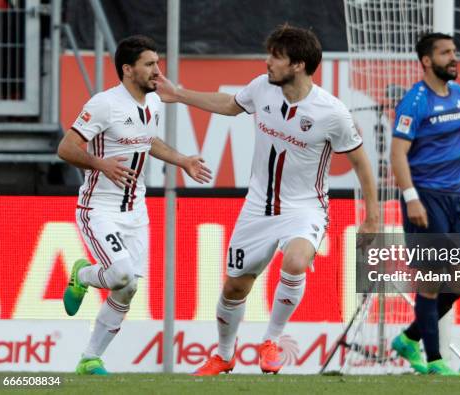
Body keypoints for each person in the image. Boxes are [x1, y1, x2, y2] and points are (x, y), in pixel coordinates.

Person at [155, 24, 379, 376]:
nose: (267, 62)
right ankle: (224, 355)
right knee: (234, 286)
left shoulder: (332, 112)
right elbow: (230, 105)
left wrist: (373, 216)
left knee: (296, 260)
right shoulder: (262, 88)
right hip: (257, 207)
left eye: (276, 57)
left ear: (298, 65)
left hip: (305, 207)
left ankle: (271, 340)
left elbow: (361, 162)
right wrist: (179, 94)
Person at [58, 35, 212, 375]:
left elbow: (147, 141)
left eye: (157, 63)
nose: (158, 71)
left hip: (136, 211)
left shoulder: (153, 103)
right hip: (99, 208)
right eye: (150, 64)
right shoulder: (104, 104)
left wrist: (182, 159)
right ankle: (82, 274)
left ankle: (89, 358)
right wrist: (102, 164)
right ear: (128, 70)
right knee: (122, 273)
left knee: (127, 287)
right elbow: (65, 148)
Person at [389, 32, 460, 375]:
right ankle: (434, 360)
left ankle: (409, 339)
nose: (453, 58)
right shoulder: (415, 101)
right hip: (425, 198)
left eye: (454, 52)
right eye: (446, 53)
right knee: (430, 279)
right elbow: (397, 154)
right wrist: (411, 198)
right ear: (427, 61)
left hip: (455, 199)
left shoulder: (459, 96)